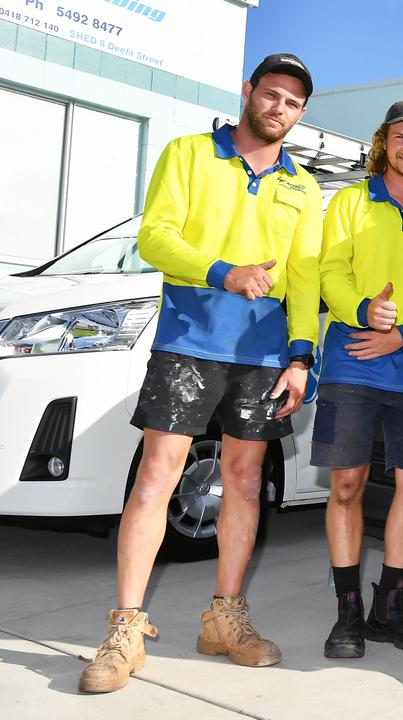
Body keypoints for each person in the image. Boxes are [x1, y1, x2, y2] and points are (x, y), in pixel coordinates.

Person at [79, 53, 322, 693]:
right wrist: (224, 271)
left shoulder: (303, 186)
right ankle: (126, 627)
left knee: (244, 484)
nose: (280, 109)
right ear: (249, 93)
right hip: (188, 341)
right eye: (272, 95)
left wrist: (301, 358)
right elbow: (154, 237)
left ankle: (225, 618)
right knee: (158, 476)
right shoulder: (189, 153)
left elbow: (305, 278)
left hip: (265, 357)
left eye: (293, 103)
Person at [314, 100, 403, 659]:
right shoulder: (349, 200)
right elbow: (329, 271)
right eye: (400, 136)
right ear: (383, 141)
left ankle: (387, 608)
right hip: (352, 359)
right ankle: (347, 614)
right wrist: (364, 309)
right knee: (346, 486)